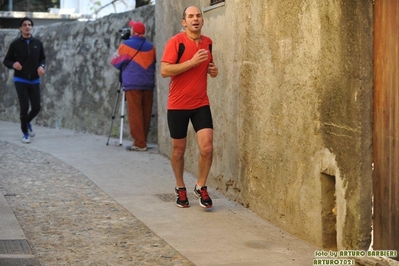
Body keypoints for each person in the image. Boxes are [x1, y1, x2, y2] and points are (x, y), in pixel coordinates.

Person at [160, 6, 219, 208]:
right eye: (191, 16)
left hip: (201, 103)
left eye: (198, 16)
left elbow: (209, 66)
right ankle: (180, 187)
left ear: (202, 20)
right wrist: (192, 62)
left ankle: (201, 185)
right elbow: (165, 70)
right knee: (178, 151)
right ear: (184, 22)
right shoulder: (176, 42)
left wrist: (213, 70)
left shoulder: (208, 43)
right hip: (177, 105)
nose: (195, 19)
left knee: (207, 148)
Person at [111, 20, 156, 151]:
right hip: (148, 83)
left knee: (135, 113)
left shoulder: (126, 45)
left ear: (134, 31)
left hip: (133, 83)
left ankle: (139, 143)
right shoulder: (151, 47)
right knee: (146, 112)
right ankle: (143, 139)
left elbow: (115, 61)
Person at [3, 17, 46, 144]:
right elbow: (7, 61)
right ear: (20, 28)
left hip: (34, 80)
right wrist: (13, 64)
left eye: (30, 25)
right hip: (20, 79)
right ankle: (25, 133)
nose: (28, 27)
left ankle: (26, 122)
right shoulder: (15, 44)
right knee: (24, 106)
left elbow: (42, 59)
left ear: (32, 27)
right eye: (25, 25)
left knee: (37, 107)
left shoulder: (38, 43)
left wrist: (41, 67)